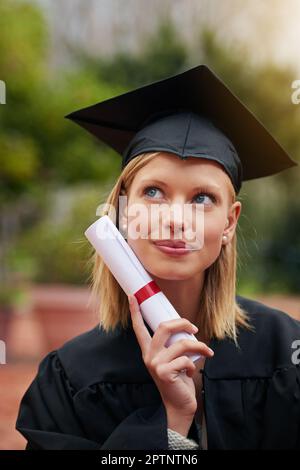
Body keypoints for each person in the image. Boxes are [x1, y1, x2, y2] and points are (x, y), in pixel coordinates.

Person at [16, 64, 300, 450]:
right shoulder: (70, 378)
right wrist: (170, 426)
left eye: (203, 198)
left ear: (230, 222)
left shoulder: (287, 354)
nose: (176, 220)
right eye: (153, 192)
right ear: (121, 210)